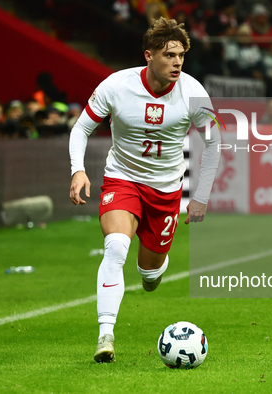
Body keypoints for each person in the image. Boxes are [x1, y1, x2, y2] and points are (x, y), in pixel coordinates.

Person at [68, 17, 221, 363]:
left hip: (165, 192)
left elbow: (214, 143)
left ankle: (153, 267)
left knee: (149, 274)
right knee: (116, 245)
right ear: (149, 56)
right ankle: (105, 335)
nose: (178, 62)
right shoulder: (116, 86)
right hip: (123, 180)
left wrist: (201, 195)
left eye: (181, 55)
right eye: (170, 55)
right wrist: (78, 170)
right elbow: (81, 129)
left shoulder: (193, 92)